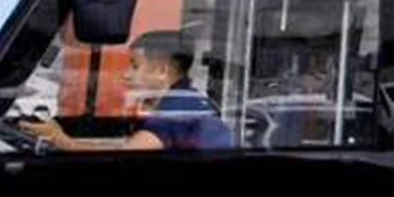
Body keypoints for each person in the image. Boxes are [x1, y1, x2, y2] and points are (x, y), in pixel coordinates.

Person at [20, 31, 234, 153]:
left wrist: (59, 139)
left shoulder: (175, 109)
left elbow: (126, 155)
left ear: (161, 71)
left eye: (134, 65)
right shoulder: (188, 99)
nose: (126, 74)